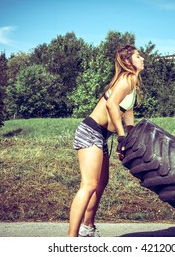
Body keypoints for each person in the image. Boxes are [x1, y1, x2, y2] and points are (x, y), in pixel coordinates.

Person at [68, 45, 145, 237]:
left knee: (101, 183)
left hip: (101, 136)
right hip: (90, 131)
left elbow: (127, 110)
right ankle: (70, 239)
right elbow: (111, 105)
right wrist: (120, 137)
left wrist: (129, 135)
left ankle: (88, 228)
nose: (142, 58)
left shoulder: (131, 82)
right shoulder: (127, 78)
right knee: (89, 185)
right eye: (138, 56)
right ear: (128, 62)